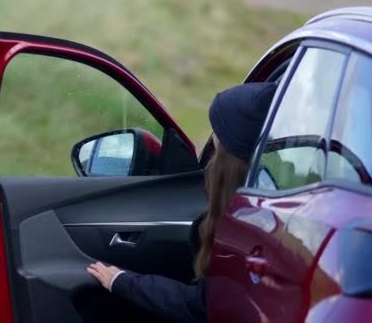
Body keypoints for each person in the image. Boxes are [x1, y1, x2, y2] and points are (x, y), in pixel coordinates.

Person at [86, 82, 278, 322]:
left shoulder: (242, 226)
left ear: (227, 160)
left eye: (215, 137)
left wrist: (122, 282)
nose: (211, 145)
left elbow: (200, 305)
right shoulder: (267, 200)